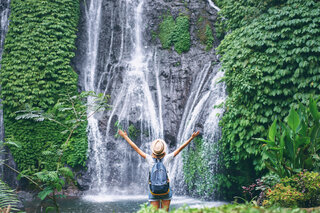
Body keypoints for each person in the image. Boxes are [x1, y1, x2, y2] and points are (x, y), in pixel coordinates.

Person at [118, 129, 200, 211]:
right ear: (163, 150)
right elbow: (180, 148)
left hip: (153, 191)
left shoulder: (149, 159)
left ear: (153, 150)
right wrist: (191, 138)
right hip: (165, 190)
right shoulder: (167, 158)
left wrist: (125, 136)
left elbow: (135, 148)